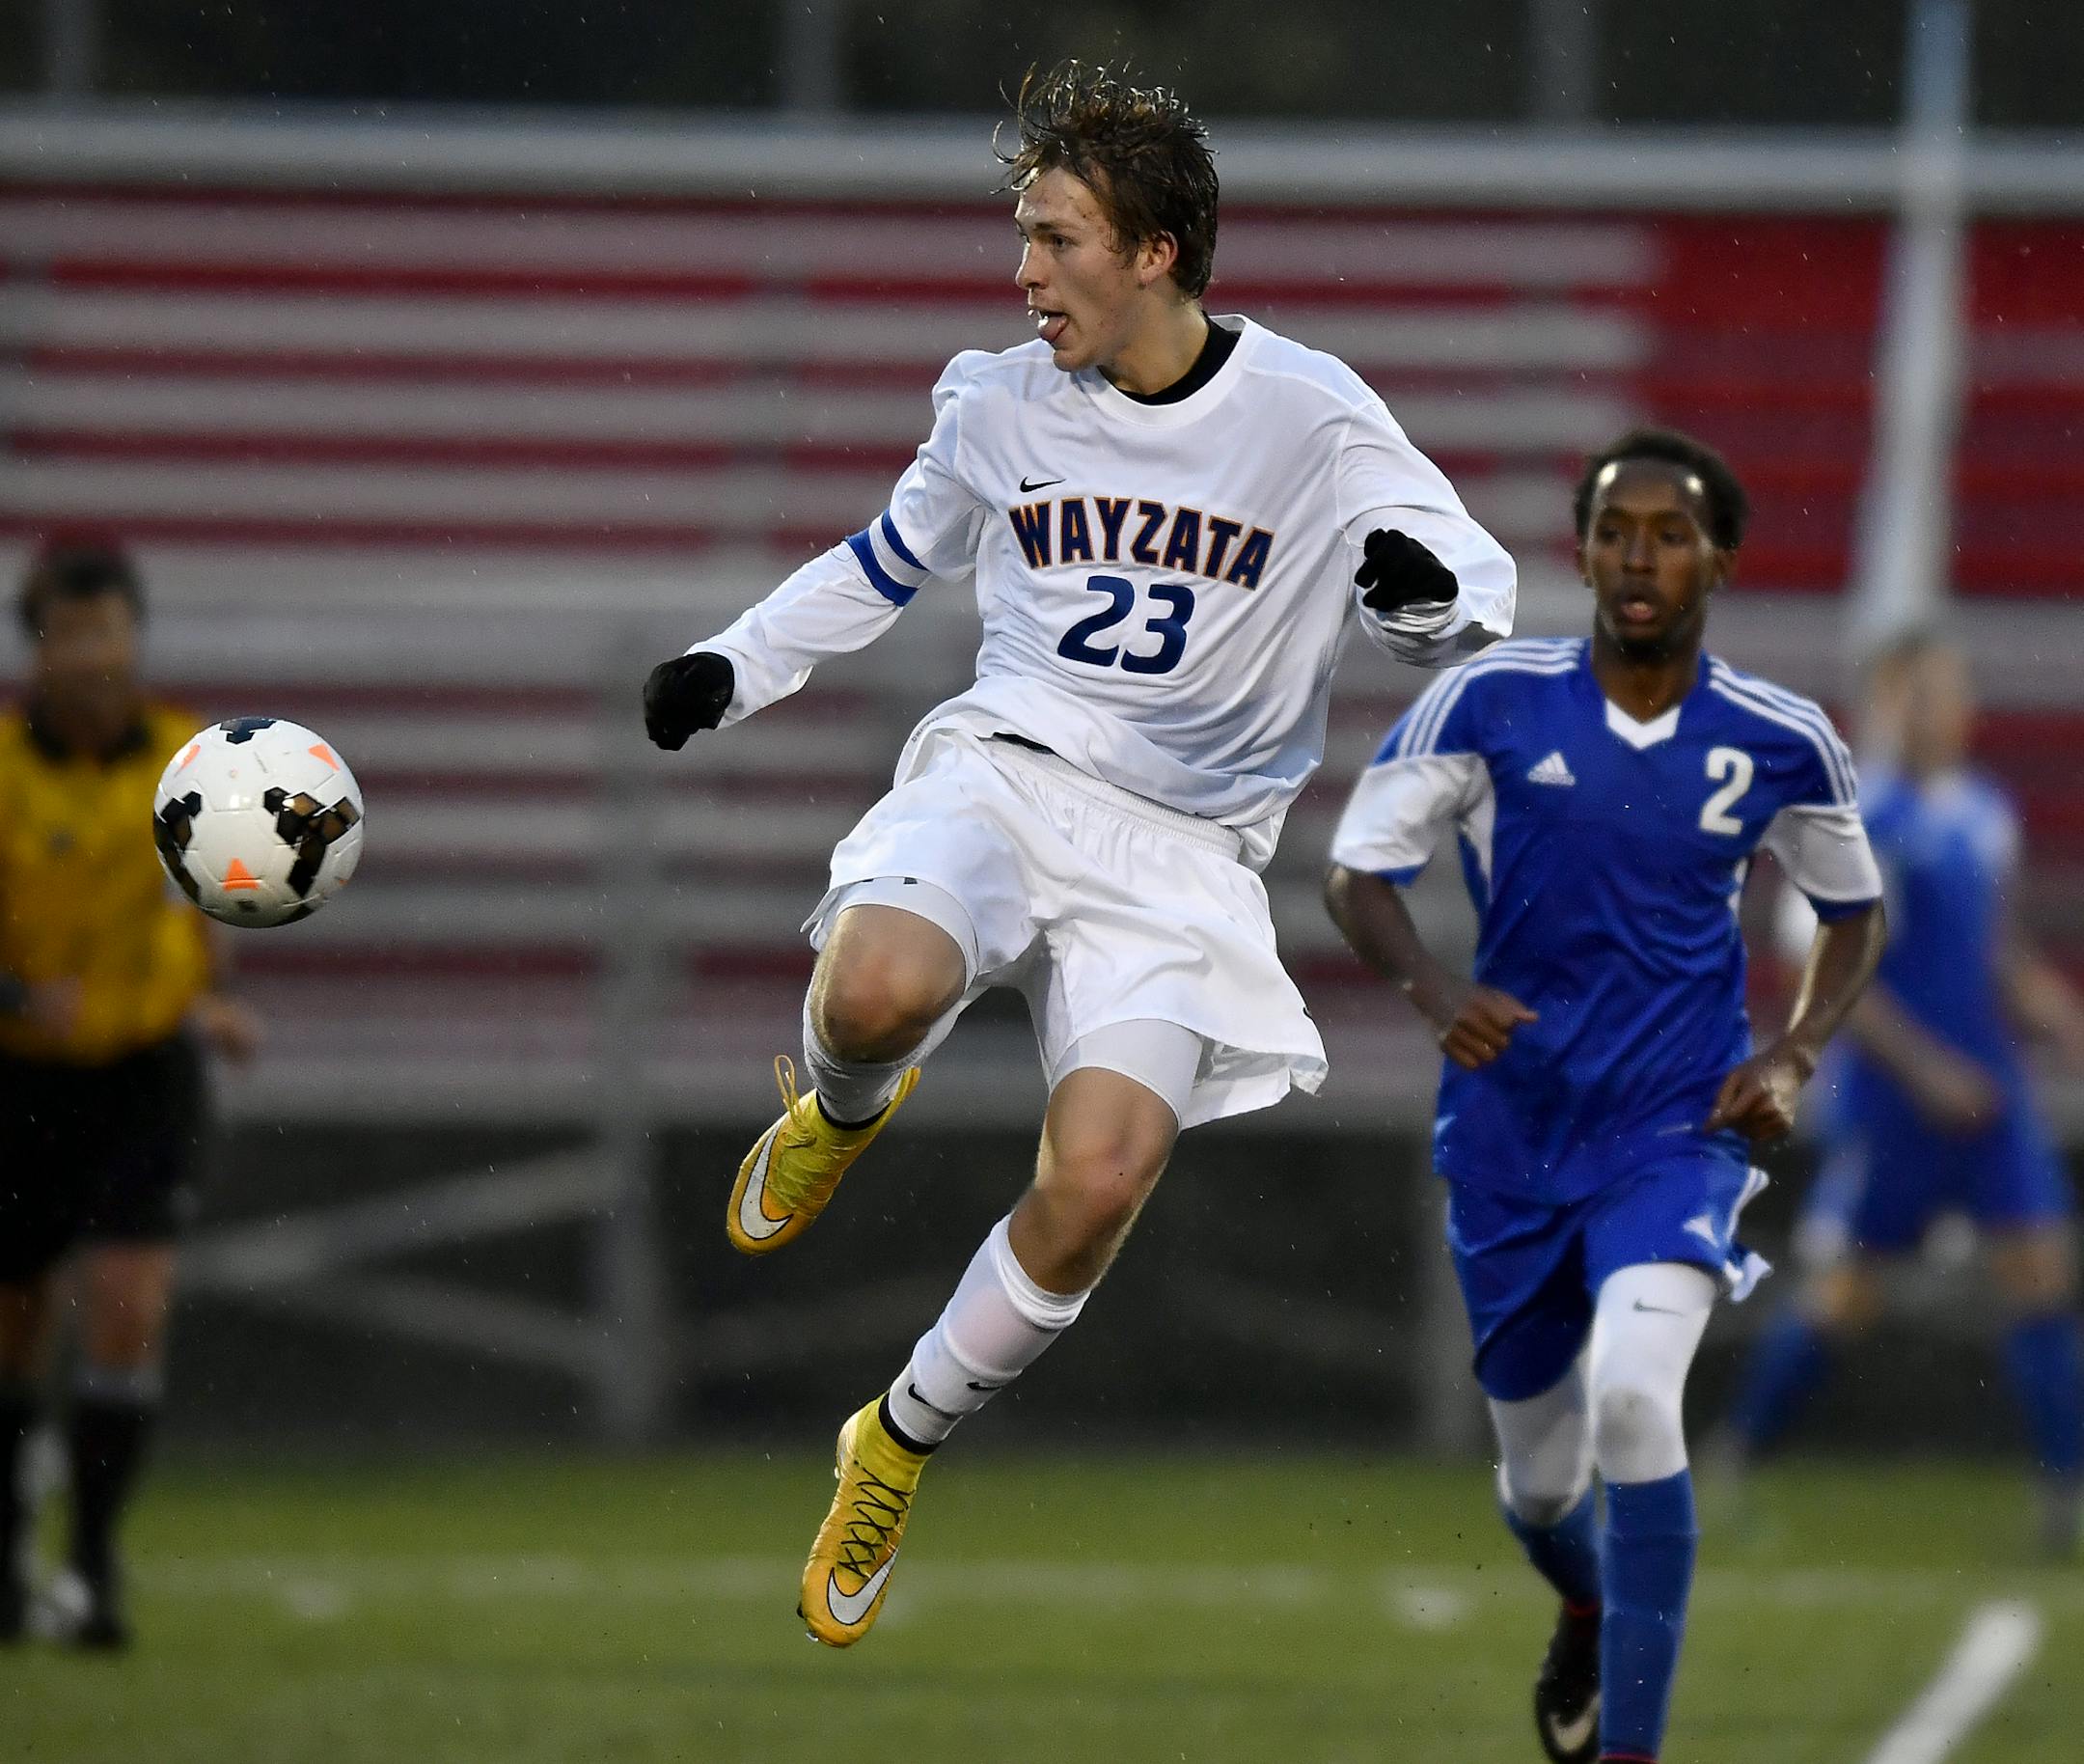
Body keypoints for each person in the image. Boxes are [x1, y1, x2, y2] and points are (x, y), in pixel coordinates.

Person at [641, 61, 1516, 1647]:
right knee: (875, 993)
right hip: (1009, 773)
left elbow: (1465, 577)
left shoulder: (1309, 411)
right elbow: (885, 561)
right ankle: (842, 1107)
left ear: (1155, 252)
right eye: (1024, 237)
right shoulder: (994, 402)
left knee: (1099, 1180)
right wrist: (732, 662)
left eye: (1057, 239)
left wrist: (1419, 587)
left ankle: (894, 1436)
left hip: (1188, 854)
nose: (1025, 272)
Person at [1322, 427, 1886, 1764]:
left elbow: (1853, 910)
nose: (1640, 557)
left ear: (1719, 560)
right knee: (1538, 1486)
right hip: (1512, 1136)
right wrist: (1435, 992)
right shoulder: (1488, 702)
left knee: (1637, 1398)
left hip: (1676, 1132)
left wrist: (1793, 1053)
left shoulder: (1781, 739)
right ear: (1579, 554)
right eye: (1616, 532)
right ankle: (1584, 1601)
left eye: (1670, 534)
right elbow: (1357, 872)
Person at [1719, 629, 2084, 1557]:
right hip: (1896, 1102)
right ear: (1886, 706)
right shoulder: (1859, 822)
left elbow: (1996, 949)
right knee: (1843, 1298)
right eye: (1921, 693)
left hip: (1991, 1092)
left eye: (1950, 691)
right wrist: (1926, 1071)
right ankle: (1735, 1462)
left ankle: (2065, 1499)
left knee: (2042, 1274)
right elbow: (1830, 971)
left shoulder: (1985, 812)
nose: (1942, 710)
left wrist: (2054, 1014)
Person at [0, 537, 260, 1648]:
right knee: (16, 1320)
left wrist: (215, 997)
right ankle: (9, 1543)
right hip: (20, 1074)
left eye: (110, 630)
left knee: (127, 1303)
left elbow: (211, 896)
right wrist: (17, 992)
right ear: (37, 648)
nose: (94, 655)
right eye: (71, 634)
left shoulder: (189, 759)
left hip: (147, 1071)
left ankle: (94, 1561)